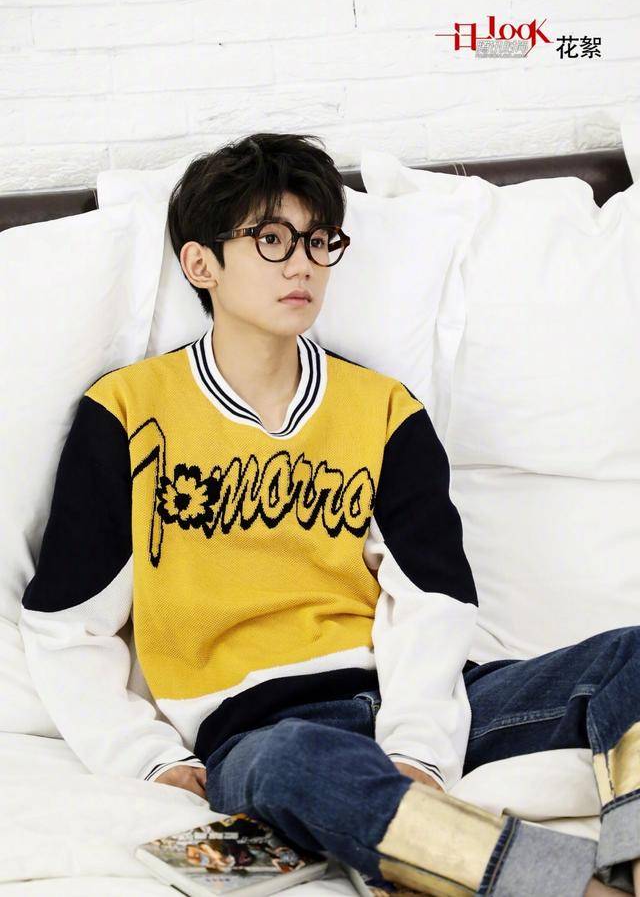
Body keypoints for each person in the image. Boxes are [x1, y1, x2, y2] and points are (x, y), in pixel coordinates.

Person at [17, 131, 640, 897]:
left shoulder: (383, 409)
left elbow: (434, 599)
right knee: (299, 765)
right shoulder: (126, 413)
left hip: (415, 699)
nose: (303, 264)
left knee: (633, 655)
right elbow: (65, 624)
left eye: (318, 241)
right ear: (201, 264)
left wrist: (416, 751)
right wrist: (148, 759)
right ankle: (570, 888)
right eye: (271, 240)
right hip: (260, 733)